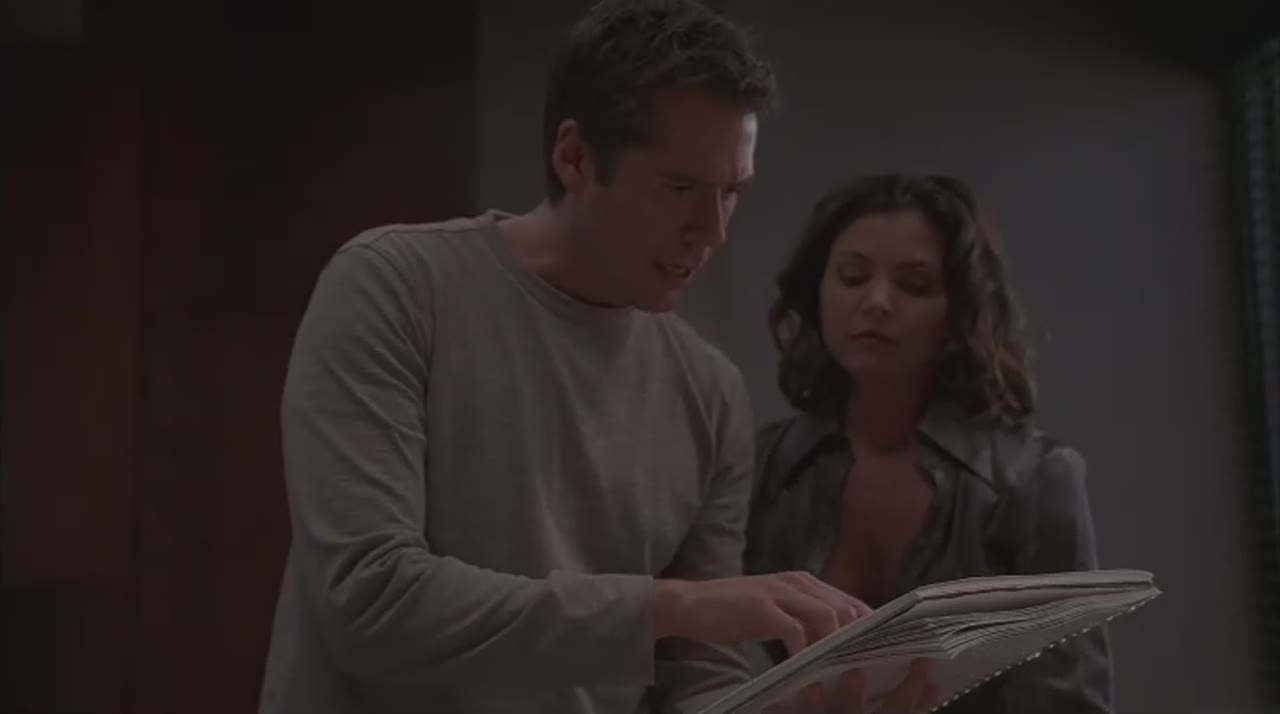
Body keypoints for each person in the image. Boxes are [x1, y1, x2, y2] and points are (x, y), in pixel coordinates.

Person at [257, 3, 929, 714]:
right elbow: (368, 601)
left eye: (731, 192)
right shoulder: (394, 287)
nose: (711, 231)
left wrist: (798, 708)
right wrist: (675, 606)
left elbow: (697, 679)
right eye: (679, 188)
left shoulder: (709, 390)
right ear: (574, 157)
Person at [745, 174, 1114, 713]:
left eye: (915, 286)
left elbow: (1069, 701)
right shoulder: (768, 465)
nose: (877, 302)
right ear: (817, 290)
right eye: (852, 277)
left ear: (958, 309)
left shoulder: (1033, 478)